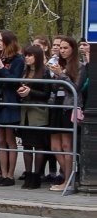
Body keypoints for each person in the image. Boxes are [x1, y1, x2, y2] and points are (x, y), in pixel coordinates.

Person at [47, 36, 85, 193]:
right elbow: (54, 87)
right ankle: (68, 176)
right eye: (60, 48)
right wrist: (54, 75)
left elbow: (75, 88)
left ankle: (68, 180)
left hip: (69, 107)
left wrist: (61, 75)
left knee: (66, 145)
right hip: (56, 105)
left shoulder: (80, 66)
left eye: (65, 48)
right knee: (55, 146)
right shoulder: (57, 64)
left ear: (73, 49)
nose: (62, 51)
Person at [0, 30, 24, 186]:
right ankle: (3, 173)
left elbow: (14, 80)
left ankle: (10, 175)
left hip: (9, 101)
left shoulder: (18, 59)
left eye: (0, 40)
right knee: (0, 139)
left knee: (10, 139)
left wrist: (1, 68)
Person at [16, 45, 52, 190]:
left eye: (30, 55)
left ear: (37, 57)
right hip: (25, 111)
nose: (27, 58)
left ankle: (37, 175)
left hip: (38, 112)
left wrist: (30, 91)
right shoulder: (25, 71)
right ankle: (29, 174)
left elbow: (46, 94)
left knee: (38, 145)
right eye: (26, 55)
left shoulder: (44, 72)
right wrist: (21, 90)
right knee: (26, 145)